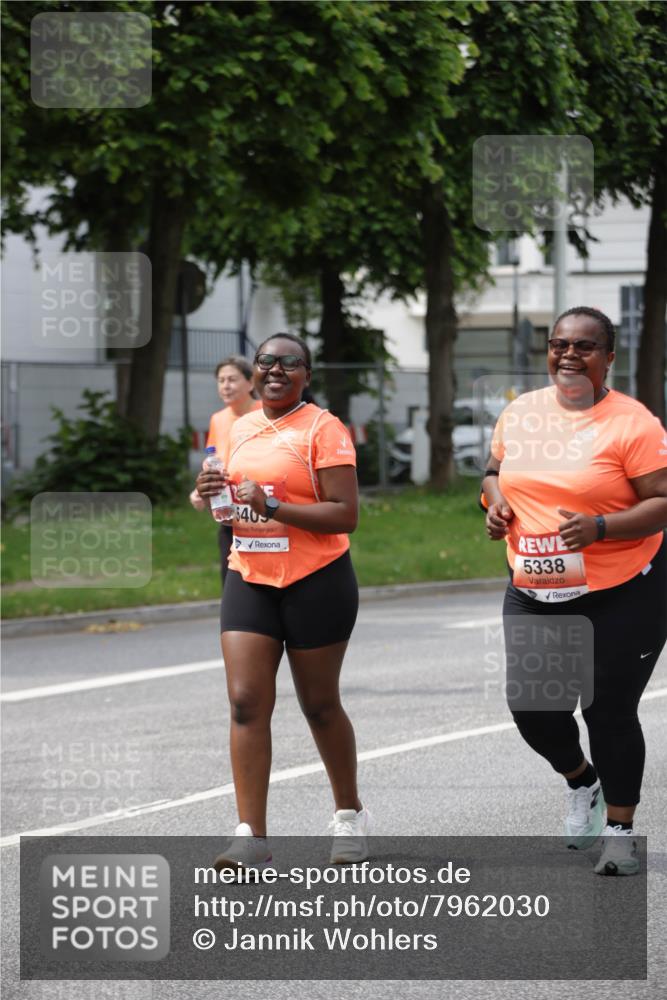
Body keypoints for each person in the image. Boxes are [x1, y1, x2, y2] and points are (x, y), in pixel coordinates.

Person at [483, 306, 667, 876]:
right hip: (536, 587)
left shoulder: (633, 424)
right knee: (533, 709)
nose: (568, 354)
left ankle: (620, 831)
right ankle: (582, 780)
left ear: (608, 357)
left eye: (584, 346)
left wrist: (601, 528)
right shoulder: (521, 412)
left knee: (608, 711)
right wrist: (495, 504)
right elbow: (492, 474)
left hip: (622, 589)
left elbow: (662, 502)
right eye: (559, 344)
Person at [195, 333, 371, 868]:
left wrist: (274, 505)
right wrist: (212, 494)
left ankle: (349, 814)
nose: (275, 369)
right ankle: (251, 836)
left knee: (319, 704)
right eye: (265, 361)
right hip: (250, 574)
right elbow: (231, 506)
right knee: (246, 701)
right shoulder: (240, 428)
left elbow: (345, 514)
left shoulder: (323, 428)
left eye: (289, 362)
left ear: (306, 375)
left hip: (316, 578)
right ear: (254, 373)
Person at [190, 356, 261, 583]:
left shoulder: (266, 413)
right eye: (221, 381)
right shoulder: (218, 419)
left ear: (251, 383)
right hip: (228, 508)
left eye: (232, 379)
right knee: (231, 577)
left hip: (260, 508)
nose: (225, 386)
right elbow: (215, 460)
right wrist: (201, 489)